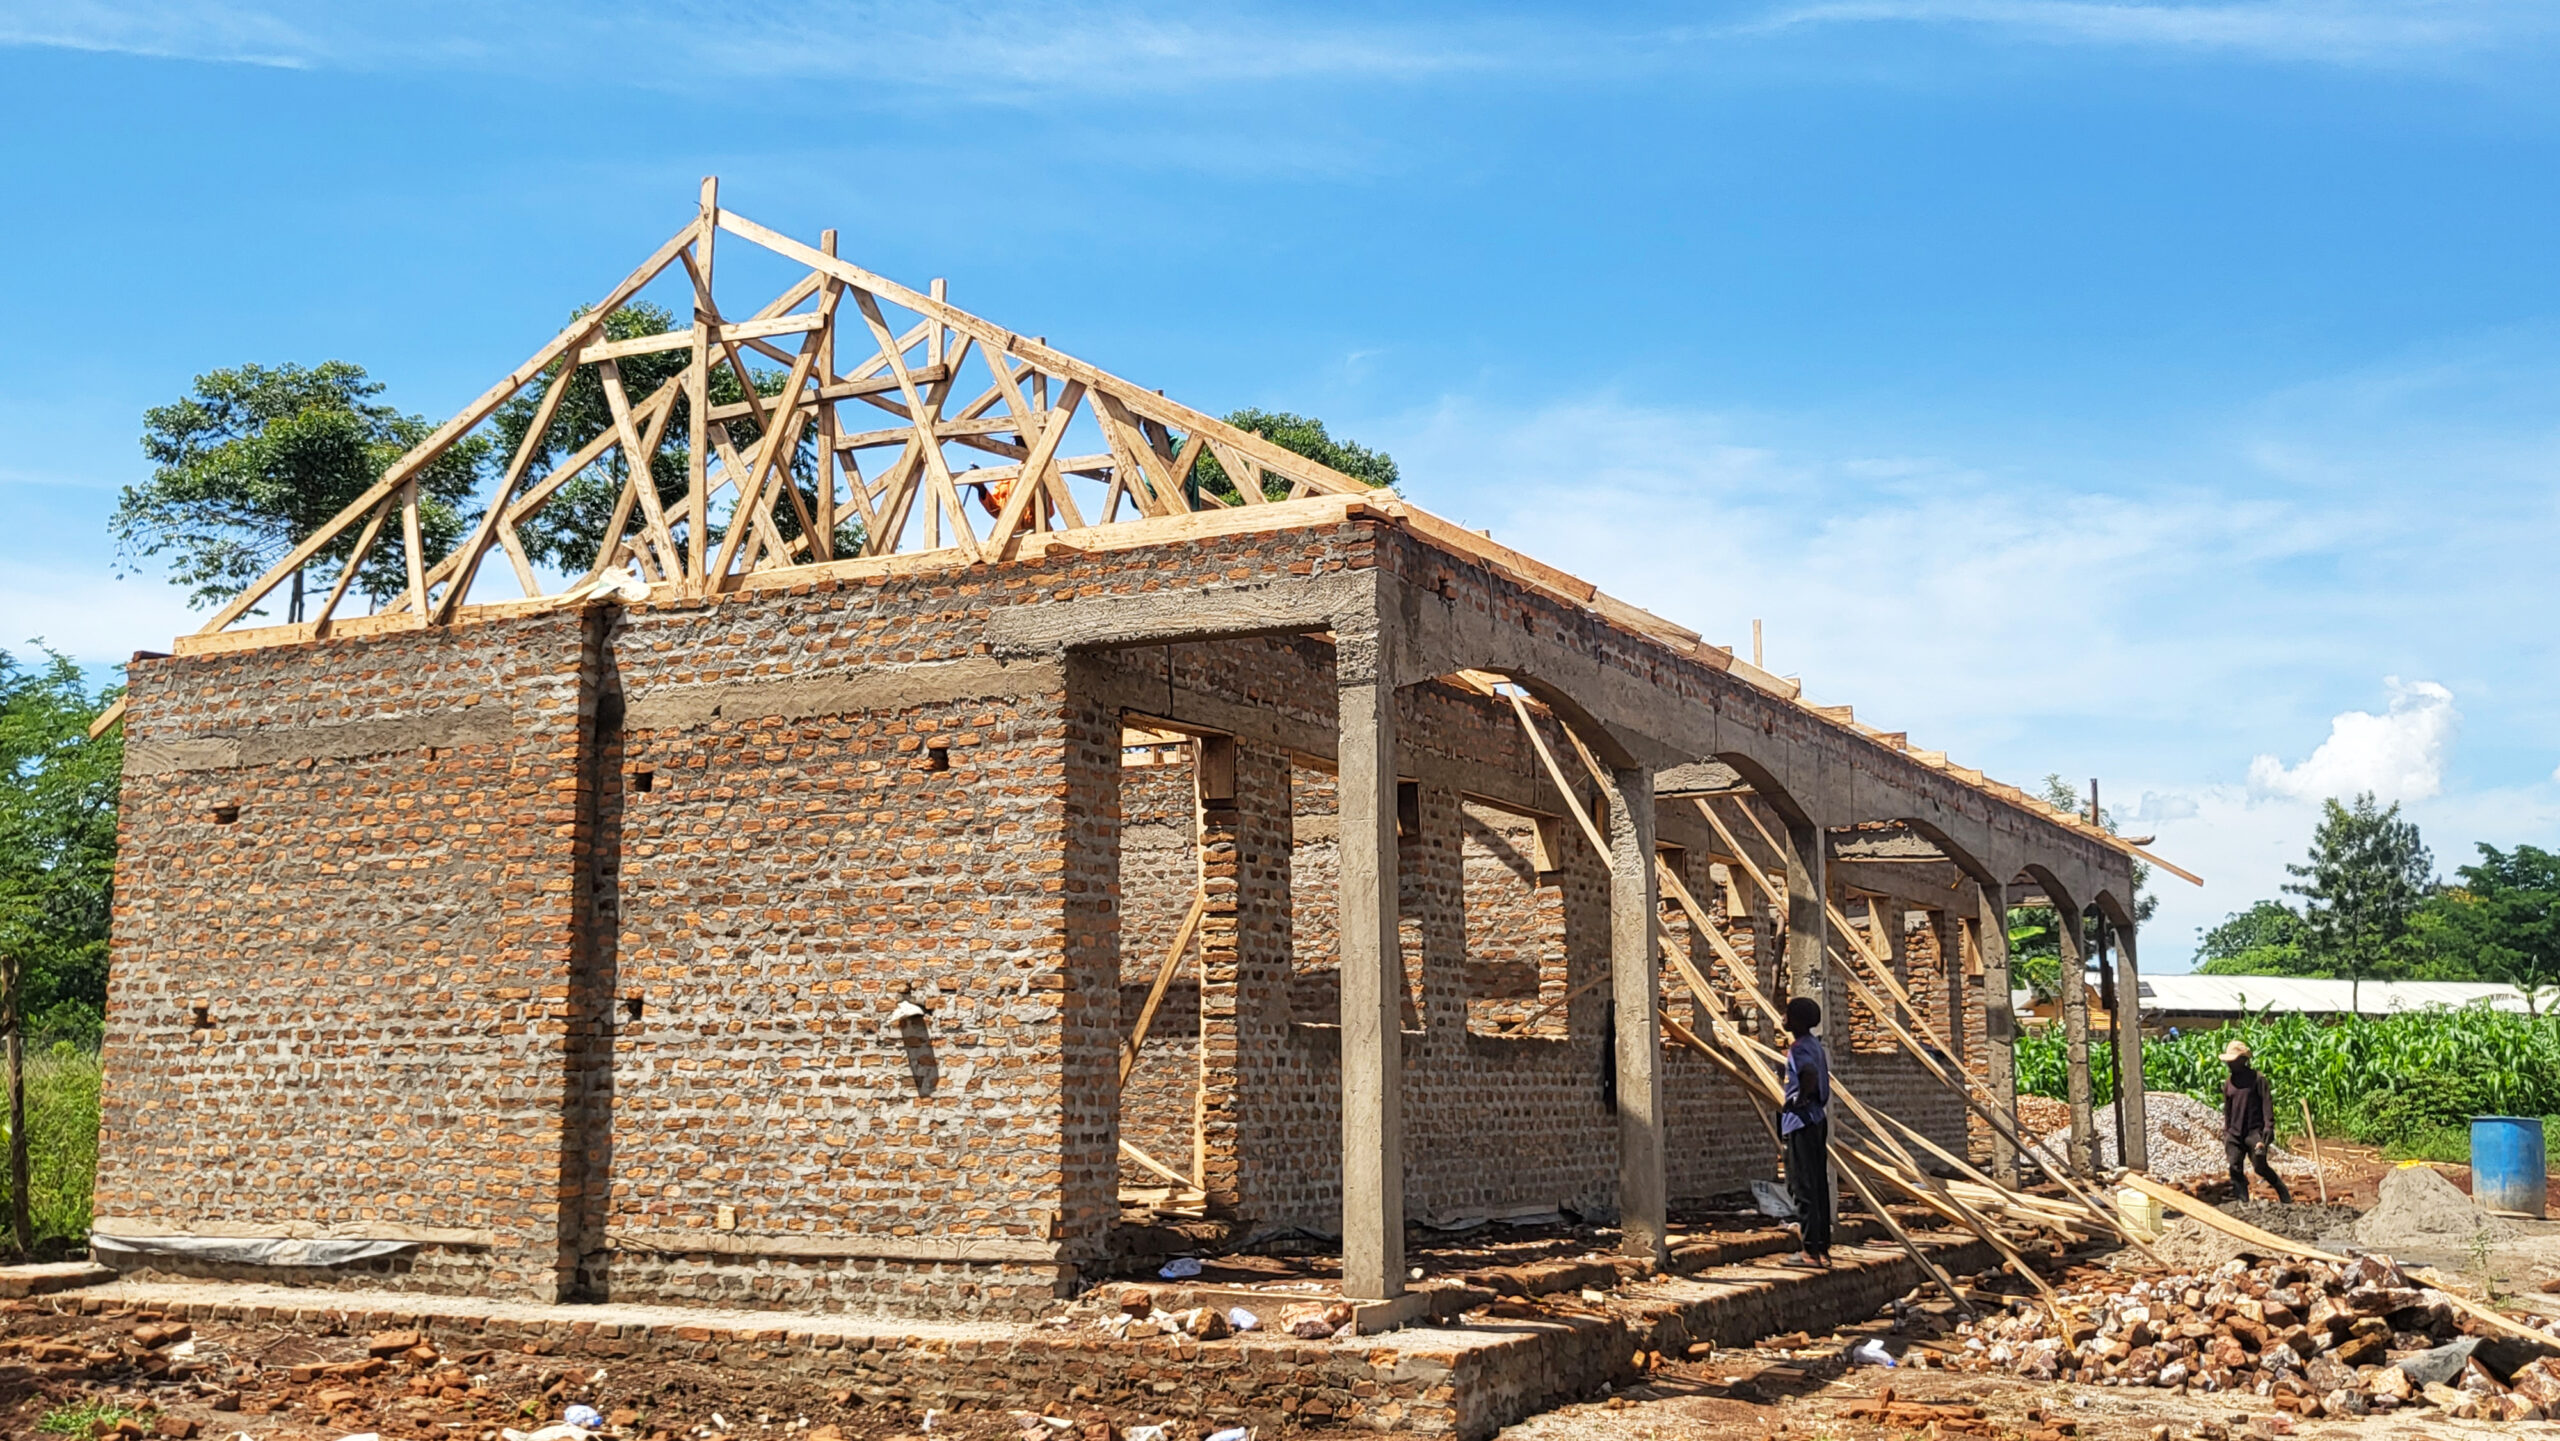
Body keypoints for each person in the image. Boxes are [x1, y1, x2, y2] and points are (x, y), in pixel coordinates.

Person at [1780, 996, 1833, 1268]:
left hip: (1800, 1121)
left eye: (1787, 1015)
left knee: (1801, 1185)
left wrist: (1800, 1097)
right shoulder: (1815, 1045)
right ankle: (1822, 1248)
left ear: (1797, 1020)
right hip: (1817, 1120)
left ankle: (1809, 1251)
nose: (1783, 1019)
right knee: (1818, 1183)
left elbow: (1809, 1072)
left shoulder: (1799, 1048)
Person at [2220, 1038, 2292, 1204]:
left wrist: (2268, 1126)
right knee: (2235, 1167)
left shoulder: (2257, 1079)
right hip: (2234, 1133)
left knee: (2259, 1166)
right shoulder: (2229, 1083)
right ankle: (2243, 1201)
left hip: (2254, 1132)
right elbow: (2228, 1109)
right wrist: (2227, 1131)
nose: (2230, 1065)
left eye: (2233, 1061)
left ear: (2243, 1060)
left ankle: (2281, 1190)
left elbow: (2267, 1103)